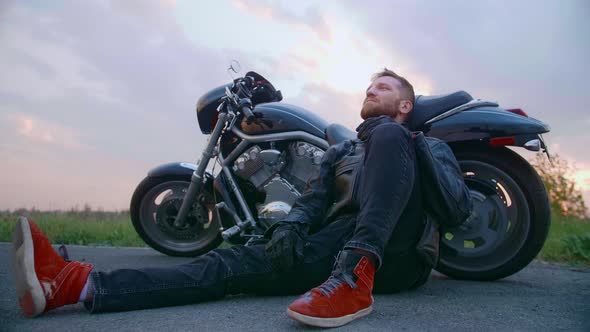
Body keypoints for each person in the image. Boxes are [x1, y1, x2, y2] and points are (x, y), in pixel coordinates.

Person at [11, 68, 430, 328]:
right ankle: (74, 284)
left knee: (388, 134)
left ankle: (356, 277)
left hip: (393, 248)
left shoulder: (408, 140)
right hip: (339, 239)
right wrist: (291, 225)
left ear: (406, 103)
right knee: (231, 262)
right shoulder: (342, 149)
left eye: (385, 86)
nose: (373, 90)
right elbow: (314, 199)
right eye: (370, 85)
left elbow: (442, 200)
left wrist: (359, 251)